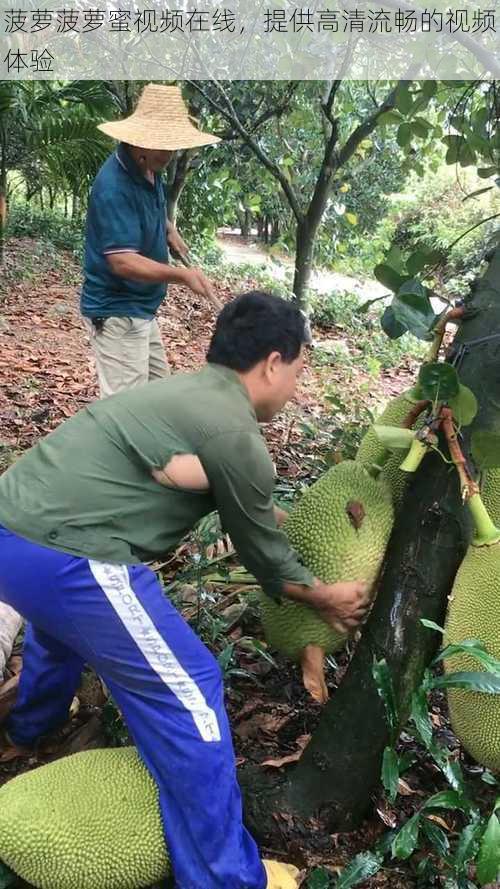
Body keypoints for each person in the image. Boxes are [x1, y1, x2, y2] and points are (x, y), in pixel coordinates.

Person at [0, 292, 369, 889]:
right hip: (74, 561)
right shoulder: (234, 429)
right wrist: (323, 596)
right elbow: (261, 551)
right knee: (192, 689)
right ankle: (225, 878)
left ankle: (29, 730)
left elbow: (246, 507)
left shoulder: (178, 395)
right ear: (274, 362)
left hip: (13, 536)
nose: (296, 389)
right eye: (299, 372)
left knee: (59, 632)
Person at [81, 82, 221, 398]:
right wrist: (181, 275)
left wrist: (168, 228)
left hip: (142, 307)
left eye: (174, 146)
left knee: (157, 398)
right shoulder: (114, 187)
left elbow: (151, 206)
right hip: (117, 310)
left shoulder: (148, 167)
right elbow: (122, 261)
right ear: (140, 140)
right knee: (125, 411)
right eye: (164, 146)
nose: (169, 155)